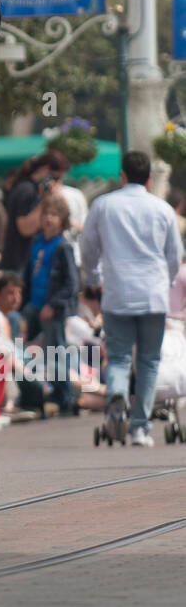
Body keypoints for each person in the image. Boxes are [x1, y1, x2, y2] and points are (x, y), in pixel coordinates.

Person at [81, 150, 182, 445]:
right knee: (149, 361)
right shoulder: (162, 209)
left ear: (122, 176)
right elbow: (174, 255)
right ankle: (140, 428)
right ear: (150, 179)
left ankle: (117, 394)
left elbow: (87, 246)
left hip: (117, 294)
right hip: (153, 294)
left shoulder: (103, 205)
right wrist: (168, 279)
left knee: (120, 356)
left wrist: (94, 276)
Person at [23, 194, 80, 415]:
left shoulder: (63, 246)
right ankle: (33, 391)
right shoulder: (38, 242)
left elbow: (72, 284)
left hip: (51, 309)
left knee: (56, 352)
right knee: (23, 347)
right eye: (46, 214)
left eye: (54, 215)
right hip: (34, 304)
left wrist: (54, 304)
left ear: (62, 219)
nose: (49, 219)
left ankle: (63, 395)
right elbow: (29, 274)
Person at [0, 150, 70, 274]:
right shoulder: (27, 191)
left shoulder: (30, 189)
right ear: (45, 170)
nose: (57, 183)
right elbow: (25, 228)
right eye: (56, 178)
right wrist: (45, 200)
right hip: (18, 265)